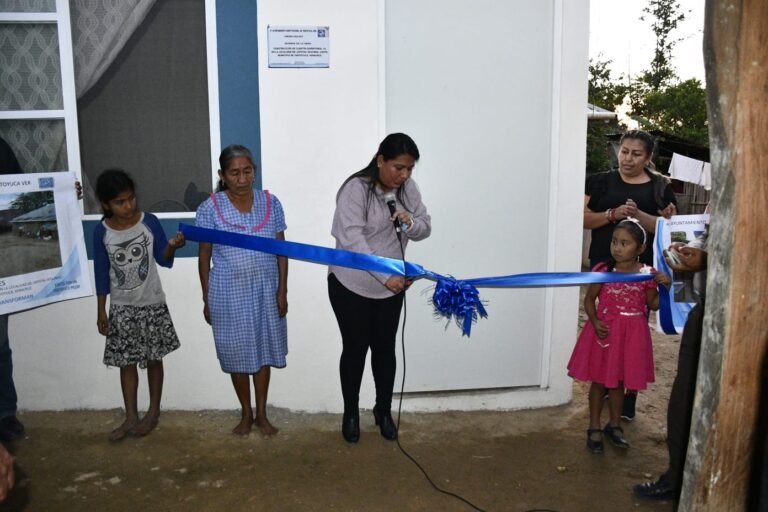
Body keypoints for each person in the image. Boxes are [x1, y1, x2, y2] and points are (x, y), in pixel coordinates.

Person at [328, 133, 431, 443]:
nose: (404, 175)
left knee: (385, 349)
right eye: (398, 167)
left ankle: (383, 411)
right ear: (380, 160)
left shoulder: (408, 189)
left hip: (390, 287)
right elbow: (352, 240)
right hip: (350, 283)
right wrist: (386, 275)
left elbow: (425, 227)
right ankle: (350, 413)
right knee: (356, 347)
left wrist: (410, 222)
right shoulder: (355, 189)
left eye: (410, 169)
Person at [583, 129, 678, 421]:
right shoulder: (599, 181)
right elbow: (581, 217)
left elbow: (670, 228)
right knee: (605, 327)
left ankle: (628, 397)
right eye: (624, 151)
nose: (628, 158)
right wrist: (612, 215)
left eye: (636, 154)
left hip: (641, 275)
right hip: (605, 268)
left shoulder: (661, 187)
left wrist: (640, 216)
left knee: (634, 334)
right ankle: (603, 386)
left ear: (648, 157)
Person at [196, 145, 288, 437]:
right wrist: (207, 297)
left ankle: (262, 414)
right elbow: (204, 256)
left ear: (255, 172)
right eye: (234, 173)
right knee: (236, 353)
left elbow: (282, 251)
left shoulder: (271, 204)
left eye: (247, 171)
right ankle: (245, 414)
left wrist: (282, 291)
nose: (242, 178)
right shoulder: (209, 208)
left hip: (266, 289)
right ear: (223, 175)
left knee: (262, 351)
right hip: (227, 292)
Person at [93, 169, 185, 441]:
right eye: (120, 202)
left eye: (131, 199)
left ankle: (153, 413)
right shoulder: (102, 231)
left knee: (154, 359)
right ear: (106, 204)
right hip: (121, 307)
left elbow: (163, 259)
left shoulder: (150, 222)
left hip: (151, 303)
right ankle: (130, 416)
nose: (129, 206)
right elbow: (101, 272)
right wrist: (101, 309)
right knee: (126, 363)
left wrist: (171, 245)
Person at [568, 219, 671, 453]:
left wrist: (665, 287)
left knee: (620, 382)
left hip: (632, 335)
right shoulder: (604, 272)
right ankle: (594, 426)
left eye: (625, 243)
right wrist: (595, 321)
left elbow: (653, 305)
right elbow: (589, 300)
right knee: (600, 381)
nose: (617, 247)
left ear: (640, 248)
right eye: (615, 241)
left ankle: (614, 425)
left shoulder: (647, 274)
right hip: (604, 333)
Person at [633, 226, 708, 501]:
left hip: (746, 314)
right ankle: (678, 477)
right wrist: (692, 250)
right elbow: (709, 234)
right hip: (706, 309)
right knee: (684, 399)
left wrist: (709, 259)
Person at [0, 137, 24, 443]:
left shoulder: (1, 148)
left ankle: (5, 414)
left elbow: (22, 188)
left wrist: (60, 196)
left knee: (0, 347)